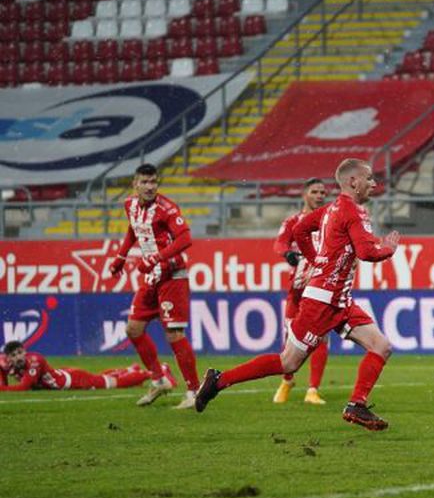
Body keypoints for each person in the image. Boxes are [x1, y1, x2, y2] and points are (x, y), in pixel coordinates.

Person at [195, 159, 400, 431]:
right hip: (323, 301)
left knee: (381, 346)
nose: (374, 184)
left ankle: (357, 405)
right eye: (370, 178)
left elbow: (300, 230)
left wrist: (317, 260)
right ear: (353, 182)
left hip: (339, 299)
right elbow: (366, 252)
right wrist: (388, 248)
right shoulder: (355, 211)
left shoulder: (331, 209)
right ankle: (219, 380)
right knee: (288, 362)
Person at [106, 163, 201, 409]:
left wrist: (156, 258)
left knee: (173, 334)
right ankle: (159, 380)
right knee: (133, 329)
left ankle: (194, 391)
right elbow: (133, 231)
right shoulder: (130, 205)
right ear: (135, 185)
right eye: (145, 182)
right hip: (151, 277)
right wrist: (121, 256)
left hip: (172, 275)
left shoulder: (167, 209)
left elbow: (186, 239)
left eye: (154, 182)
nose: (150, 187)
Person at [271, 177, 330, 406]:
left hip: (320, 290)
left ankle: (313, 390)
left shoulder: (330, 221)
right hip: (296, 291)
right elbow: (279, 243)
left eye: (323, 192)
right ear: (304, 194)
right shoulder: (293, 221)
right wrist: (286, 253)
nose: (319, 196)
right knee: (289, 340)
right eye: (315, 191)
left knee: (320, 338)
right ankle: (287, 381)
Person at [0, 341, 152, 392]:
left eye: (20, 352)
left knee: (112, 383)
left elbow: (24, 387)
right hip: (64, 374)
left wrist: (2, 388)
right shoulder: (12, 365)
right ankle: (131, 370)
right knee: (99, 377)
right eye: (13, 355)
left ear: (24, 351)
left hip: (75, 381)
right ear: (9, 359)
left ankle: (151, 374)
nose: (18, 357)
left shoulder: (34, 361)